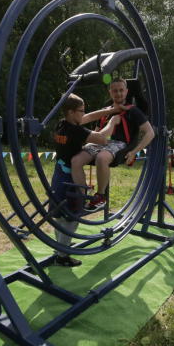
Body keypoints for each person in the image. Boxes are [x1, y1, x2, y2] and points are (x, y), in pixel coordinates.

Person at [50, 94, 121, 266]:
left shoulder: (62, 124)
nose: (84, 113)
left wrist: (109, 111)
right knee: (72, 216)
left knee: (59, 213)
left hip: (58, 173)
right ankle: (63, 256)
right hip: (70, 177)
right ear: (71, 112)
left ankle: (60, 246)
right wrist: (112, 122)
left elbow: (88, 117)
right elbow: (102, 139)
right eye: (81, 111)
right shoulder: (76, 131)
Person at [71, 78, 155, 210]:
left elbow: (150, 133)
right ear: (110, 92)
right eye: (115, 91)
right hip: (102, 141)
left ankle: (101, 196)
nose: (118, 94)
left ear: (127, 91)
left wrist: (134, 152)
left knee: (101, 158)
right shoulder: (105, 111)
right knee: (75, 160)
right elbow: (97, 132)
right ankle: (81, 196)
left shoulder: (133, 111)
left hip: (121, 144)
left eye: (121, 90)